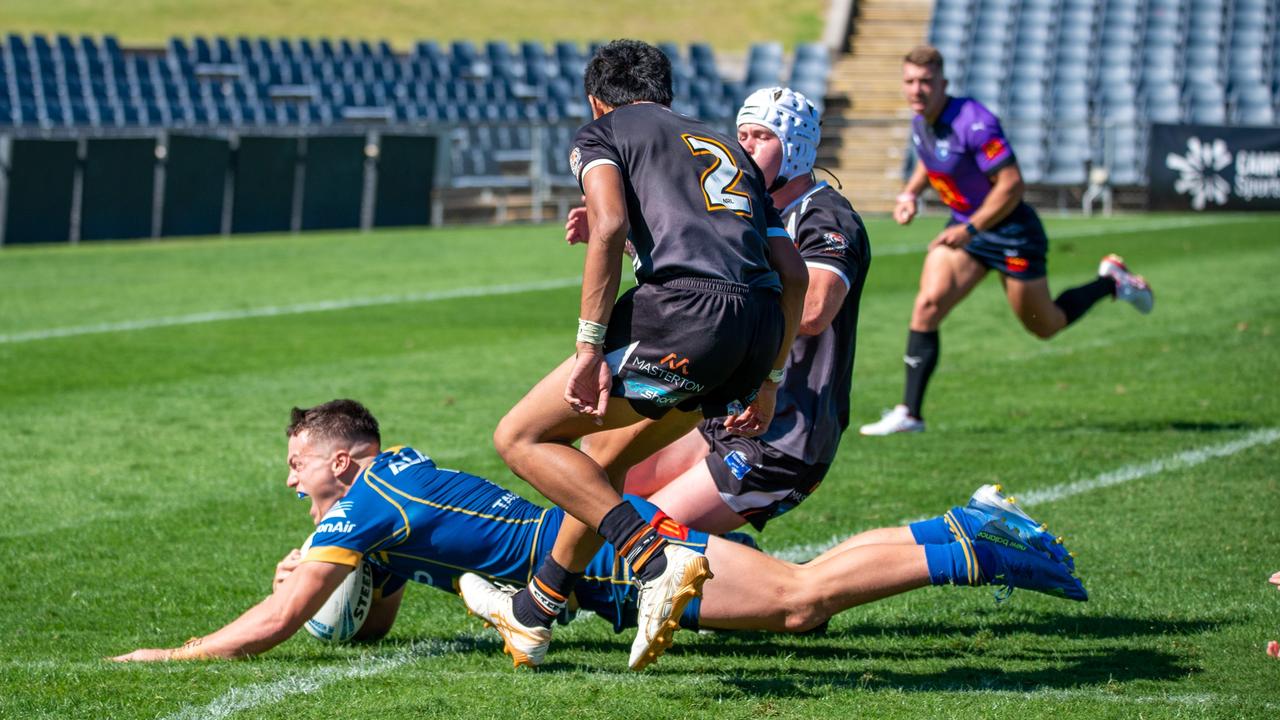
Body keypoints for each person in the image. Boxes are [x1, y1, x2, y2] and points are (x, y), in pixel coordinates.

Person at [112, 400, 1085, 664]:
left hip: (610, 566)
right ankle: (960, 533)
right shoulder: (393, 490)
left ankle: (972, 534)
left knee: (797, 603)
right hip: (590, 547)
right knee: (796, 601)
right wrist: (350, 585)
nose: (289, 477)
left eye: (299, 461)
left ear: (345, 459)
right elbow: (369, 623)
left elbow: (279, 625)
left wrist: (175, 652)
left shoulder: (367, 505)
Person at [465, 40, 809, 671]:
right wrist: (768, 381)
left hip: (682, 315)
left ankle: (653, 561)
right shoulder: (725, 144)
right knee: (604, 459)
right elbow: (791, 271)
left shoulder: (602, 131)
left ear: (597, 99)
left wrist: (590, 347)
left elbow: (611, 225)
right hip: (755, 331)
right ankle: (534, 613)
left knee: (519, 438)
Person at [567, 87, 870, 534]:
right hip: (720, 415)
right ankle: (559, 589)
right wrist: (624, 236)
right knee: (600, 484)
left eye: (760, 137)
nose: (744, 146)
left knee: (646, 534)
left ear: (796, 150)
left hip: (783, 435)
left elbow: (814, 309)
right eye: (741, 134)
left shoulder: (824, 216)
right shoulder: (743, 211)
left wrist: (733, 294)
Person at [859, 46, 1155, 436]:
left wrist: (971, 229)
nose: (917, 90)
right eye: (910, 81)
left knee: (1044, 324)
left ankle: (1111, 282)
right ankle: (910, 414)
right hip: (968, 230)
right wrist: (910, 194)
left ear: (943, 84)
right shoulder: (921, 121)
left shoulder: (974, 122)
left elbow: (1012, 185)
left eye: (926, 82)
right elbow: (929, 161)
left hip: (1010, 232)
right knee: (927, 305)